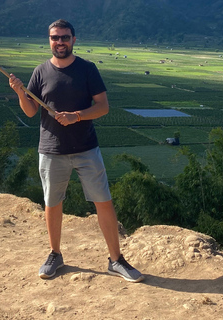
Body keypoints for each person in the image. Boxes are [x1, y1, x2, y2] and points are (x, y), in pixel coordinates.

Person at [9, 19, 144, 282]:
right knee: (52, 203)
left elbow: (103, 107)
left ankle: (116, 260)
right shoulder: (40, 72)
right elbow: (30, 111)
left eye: (64, 37)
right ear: (49, 40)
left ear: (73, 40)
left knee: (103, 201)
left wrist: (76, 116)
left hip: (85, 148)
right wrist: (19, 93)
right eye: (54, 37)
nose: (59, 42)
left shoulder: (87, 69)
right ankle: (55, 254)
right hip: (50, 149)